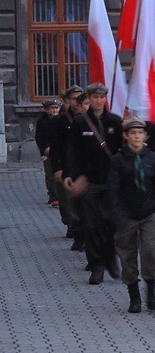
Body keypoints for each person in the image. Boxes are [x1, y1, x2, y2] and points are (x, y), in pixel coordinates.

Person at [64, 83, 123, 285]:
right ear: (89, 98)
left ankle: (110, 257)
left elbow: (122, 152)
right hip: (89, 181)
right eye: (95, 97)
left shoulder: (115, 122)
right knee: (91, 225)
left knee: (111, 223)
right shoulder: (80, 123)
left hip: (112, 182)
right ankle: (96, 265)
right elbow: (72, 151)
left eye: (102, 97)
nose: (98, 101)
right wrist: (74, 175)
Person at [108, 117, 155, 314]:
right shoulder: (118, 160)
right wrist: (118, 214)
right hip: (126, 214)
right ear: (125, 136)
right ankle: (134, 295)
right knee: (127, 254)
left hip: (149, 212)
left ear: (145, 135)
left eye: (140, 133)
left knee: (151, 250)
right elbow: (113, 190)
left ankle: (151, 292)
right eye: (132, 133)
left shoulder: (153, 158)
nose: (136, 136)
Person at [49, 85, 84, 248]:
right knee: (67, 202)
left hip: (84, 167)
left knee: (84, 202)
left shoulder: (88, 119)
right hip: (66, 166)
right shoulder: (60, 121)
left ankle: (80, 232)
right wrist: (57, 168)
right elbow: (55, 147)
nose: (77, 103)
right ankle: (73, 226)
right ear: (67, 101)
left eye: (80, 98)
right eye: (73, 99)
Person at [36, 98, 61, 206]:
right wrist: (44, 150)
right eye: (52, 108)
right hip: (48, 151)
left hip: (60, 150)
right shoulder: (42, 121)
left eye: (56, 108)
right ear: (47, 110)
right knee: (50, 173)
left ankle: (60, 195)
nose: (55, 110)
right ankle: (53, 196)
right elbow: (39, 137)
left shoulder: (62, 120)